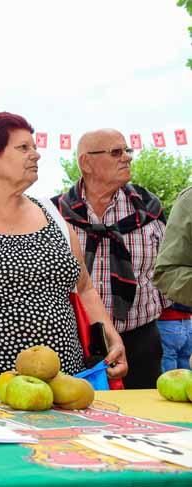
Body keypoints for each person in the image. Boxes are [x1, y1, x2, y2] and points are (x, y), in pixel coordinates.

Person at [0, 112, 127, 392]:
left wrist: (112, 338)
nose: (36, 155)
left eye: (34, 147)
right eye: (23, 148)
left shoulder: (53, 215)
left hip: (65, 384)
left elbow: (85, 289)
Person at [53, 129, 167, 389]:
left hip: (141, 339)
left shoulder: (148, 208)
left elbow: (165, 270)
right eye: (116, 152)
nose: (126, 158)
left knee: (146, 420)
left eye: (128, 151)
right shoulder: (54, 215)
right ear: (86, 163)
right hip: (76, 339)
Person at [154, 187, 192, 371]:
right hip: (174, 321)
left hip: (179, 322)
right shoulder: (189, 200)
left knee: (174, 364)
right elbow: (168, 271)